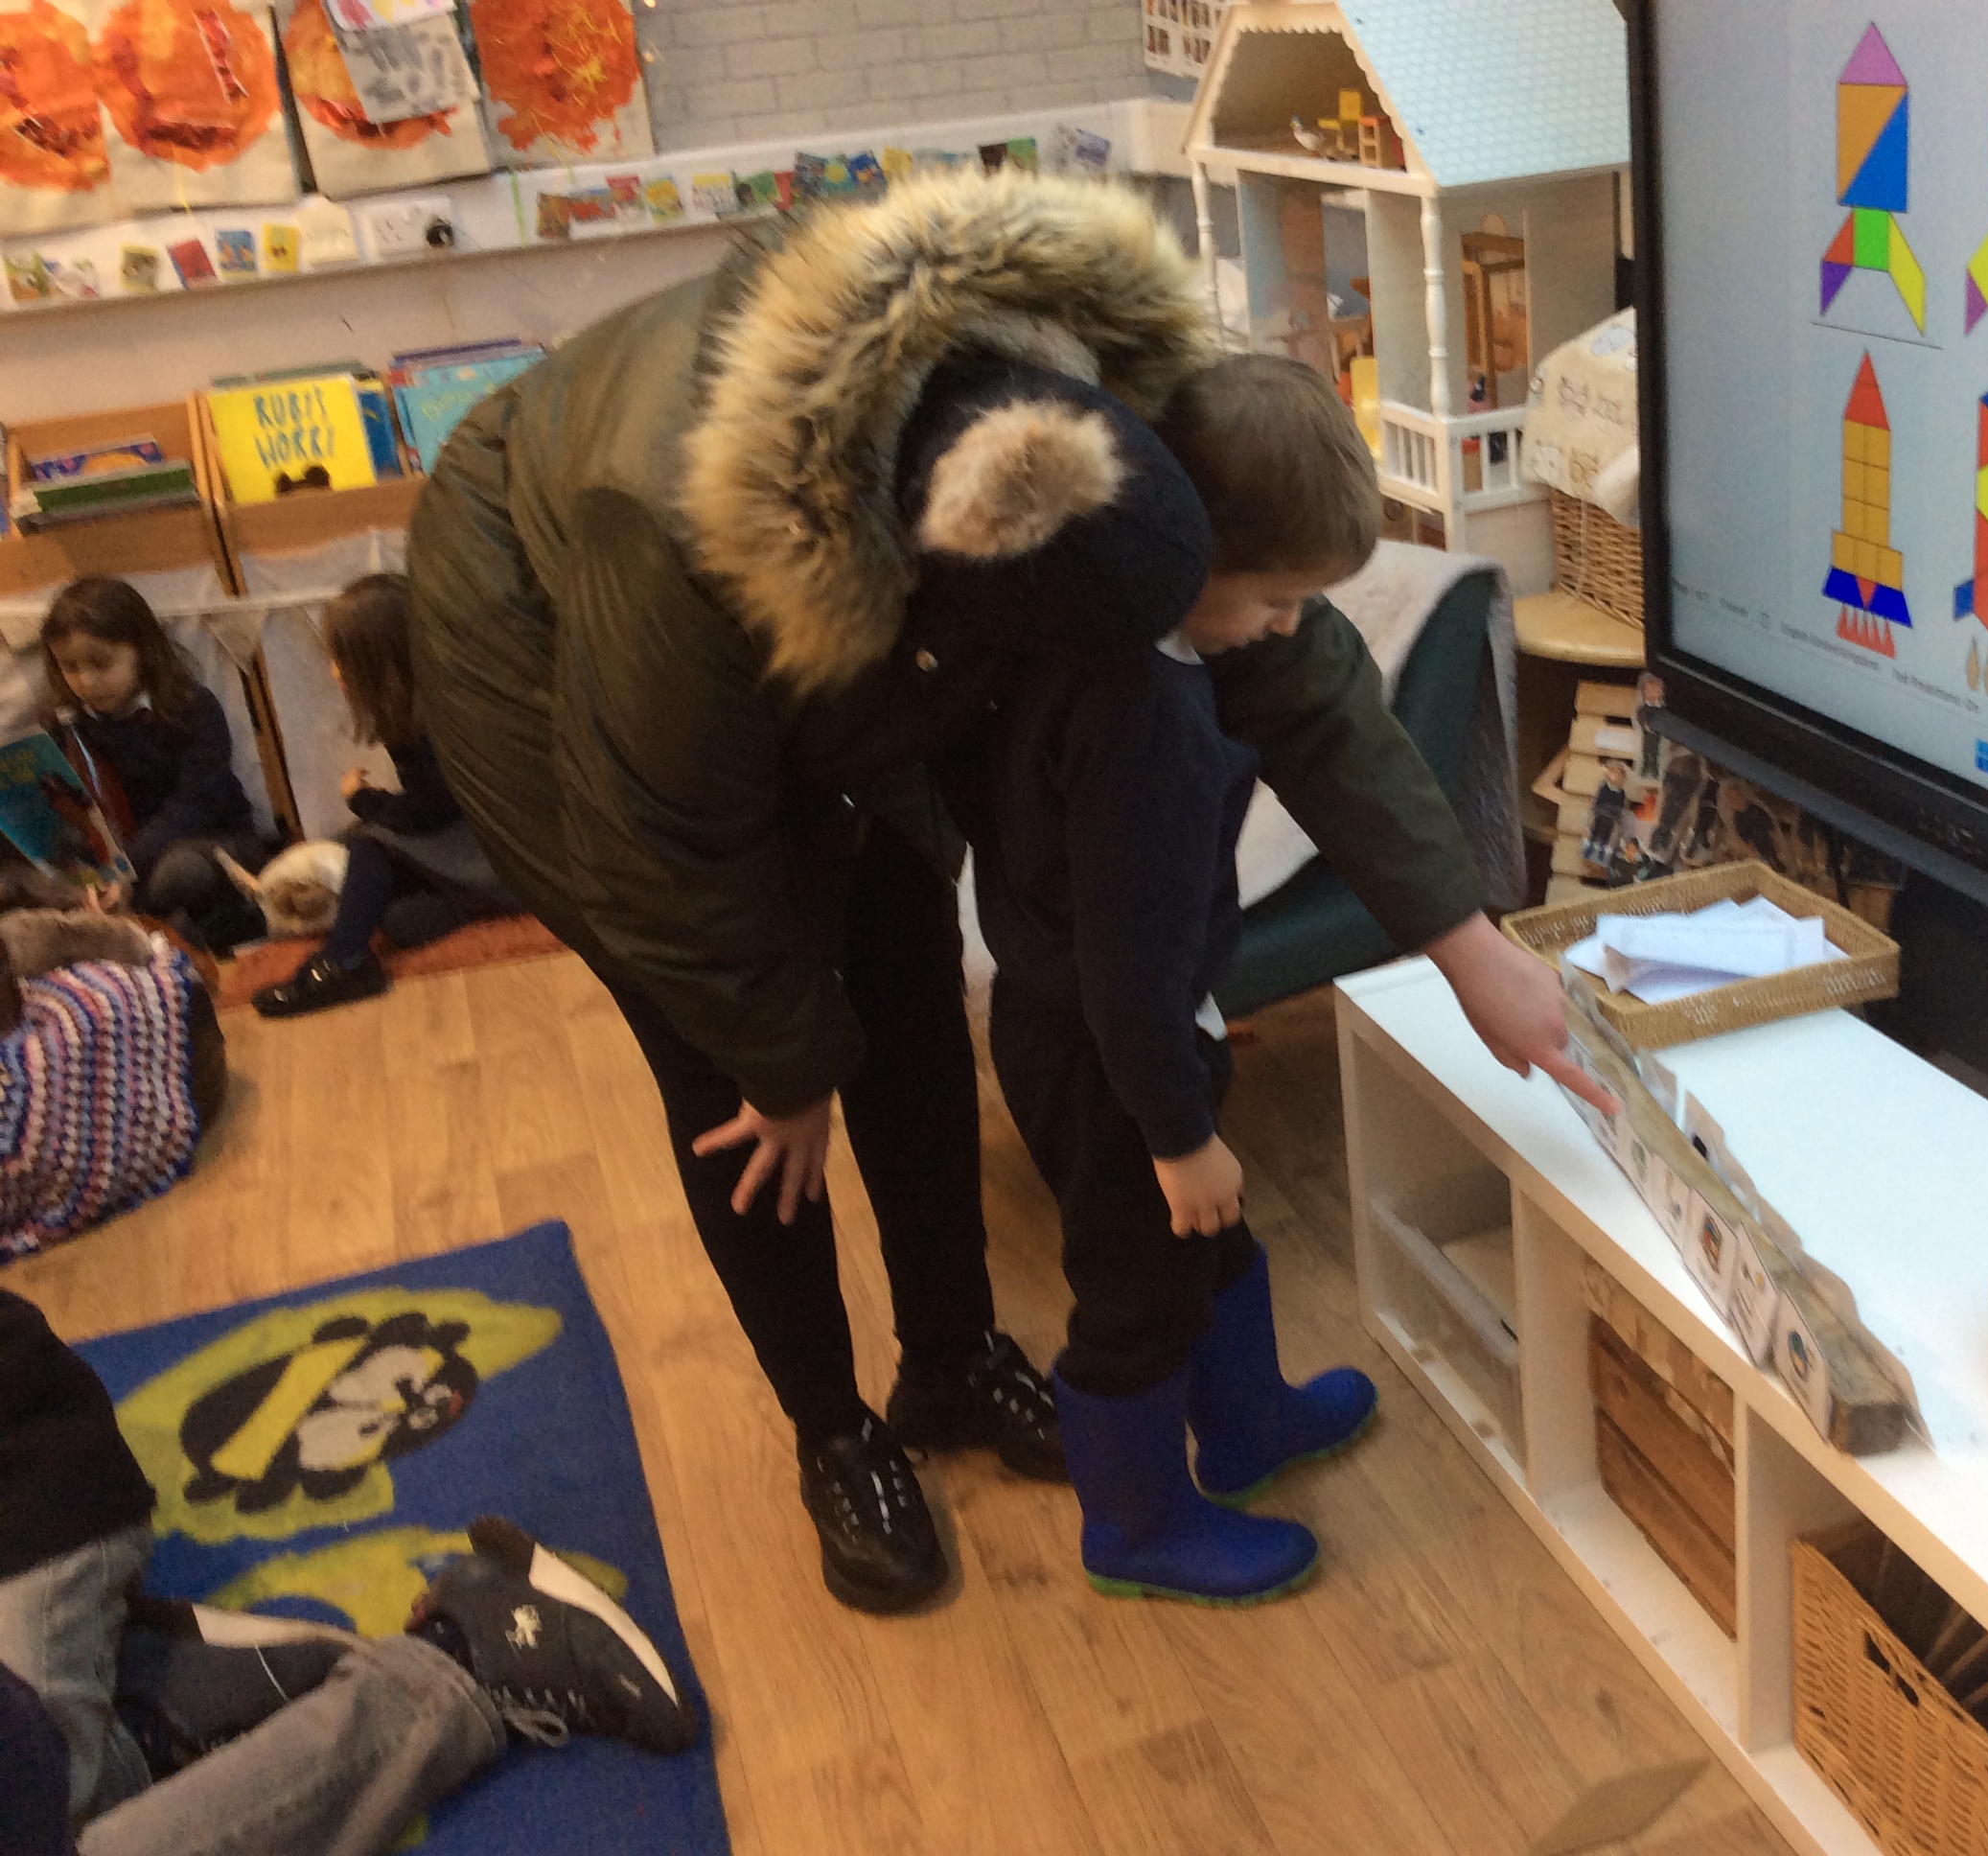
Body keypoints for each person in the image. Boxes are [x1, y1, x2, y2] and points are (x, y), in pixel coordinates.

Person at [405, 167, 1614, 1616]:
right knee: (744, 1095)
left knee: (905, 976)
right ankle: (833, 1430)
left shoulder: (1126, 426)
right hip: (556, 653)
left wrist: (1469, 946)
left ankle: (953, 1359)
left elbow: (1287, 672)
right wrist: (780, 1058)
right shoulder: (666, 539)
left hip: (843, 626)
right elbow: (667, 852)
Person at [969, 356, 1387, 1605]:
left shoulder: (1086, 633)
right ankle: (1137, 1525)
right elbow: (1127, 970)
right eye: (1274, 597)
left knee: (1208, 1240)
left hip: (1107, 1030)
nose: (1287, 627)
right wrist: (1178, 1132)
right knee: (1135, 1295)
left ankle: (1248, 1423)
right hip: (1113, 1058)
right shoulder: (1142, 721)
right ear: (1185, 554)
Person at [0, 1288, 697, 1856]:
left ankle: (463, 1655)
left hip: (26, 1496)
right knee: (50, 1798)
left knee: (41, 1808)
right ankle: (148, 1712)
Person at [251, 574, 517, 1020]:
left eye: (342, 660)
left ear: (382, 662)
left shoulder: (439, 722)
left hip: (504, 861)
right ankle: (457, 907)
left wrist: (363, 798)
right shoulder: (422, 707)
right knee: (394, 915)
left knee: (369, 843)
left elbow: (427, 814)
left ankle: (344, 962)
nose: (334, 672)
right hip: (484, 856)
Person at [39, 580, 268, 953]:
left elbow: (198, 804)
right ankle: (145, 926)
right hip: (119, 863)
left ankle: (174, 928)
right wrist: (90, 877)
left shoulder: (191, 708)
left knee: (178, 874)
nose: (86, 682)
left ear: (142, 651)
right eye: (70, 667)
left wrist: (127, 871)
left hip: (206, 844)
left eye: (101, 663)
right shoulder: (66, 726)